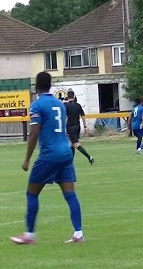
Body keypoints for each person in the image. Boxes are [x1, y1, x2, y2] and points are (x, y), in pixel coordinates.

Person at [10, 71, 85, 245]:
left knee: (32, 193)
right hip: (65, 152)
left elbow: (34, 133)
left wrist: (27, 159)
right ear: (50, 85)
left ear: (36, 86)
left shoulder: (37, 106)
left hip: (49, 155)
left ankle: (29, 235)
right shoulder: (59, 104)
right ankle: (78, 233)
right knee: (70, 194)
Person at [64, 90, 94, 165]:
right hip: (77, 126)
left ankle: (89, 157)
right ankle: (70, 162)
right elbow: (83, 116)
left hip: (70, 127)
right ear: (74, 96)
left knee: (76, 144)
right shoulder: (78, 105)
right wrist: (85, 126)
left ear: (67, 96)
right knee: (71, 144)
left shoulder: (66, 106)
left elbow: (65, 117)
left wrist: (63, 126)